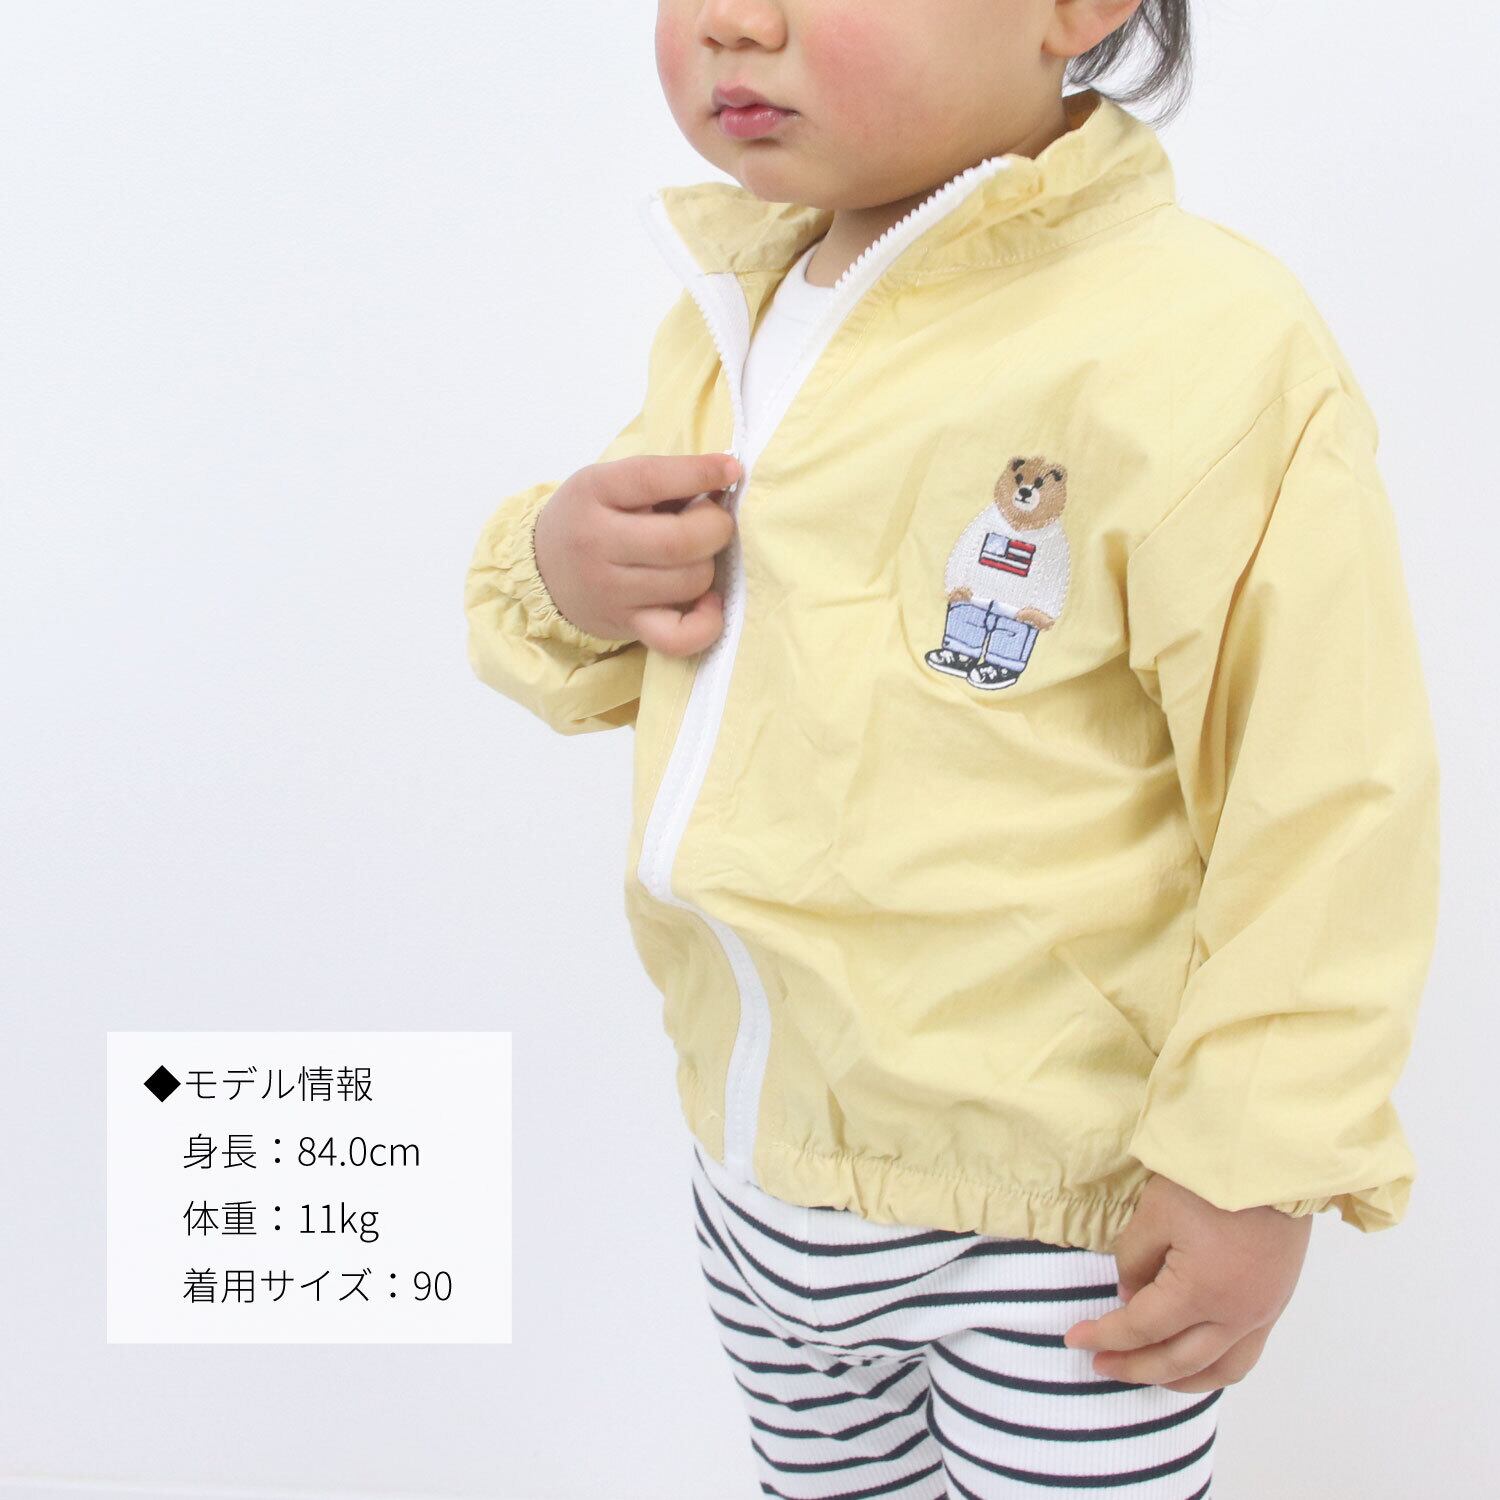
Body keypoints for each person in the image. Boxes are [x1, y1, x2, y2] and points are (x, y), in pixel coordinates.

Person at [462, 2, 1441, 1494]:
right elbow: (634, 653)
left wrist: (1259, 1155)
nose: (735, 22)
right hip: (759, 1171)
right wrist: (570, 571)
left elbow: (1320, 791)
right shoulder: (741, 305)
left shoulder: (1199, 341)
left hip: (1057, 1219)